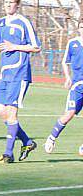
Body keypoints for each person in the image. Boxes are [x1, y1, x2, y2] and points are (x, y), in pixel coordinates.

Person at [0, 0, 41, 163]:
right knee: (2, 113)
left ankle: (8, 153)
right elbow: (2, 45)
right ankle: (27, 142)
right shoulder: (1, 23)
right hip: (5, 72)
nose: (8, 5)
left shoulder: (24, 22)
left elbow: (36, 47)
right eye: (6, 2)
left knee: (12, 114)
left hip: (19, 72)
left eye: (11, 2)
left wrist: (15, 46)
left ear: (17, 5)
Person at [44, 20, 83, 153]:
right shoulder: (73, 43)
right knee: (69, 113)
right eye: (82, 27)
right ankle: (52, 137)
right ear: (78, 29)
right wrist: (67, 77)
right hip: (77, 86)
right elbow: (65, 62)